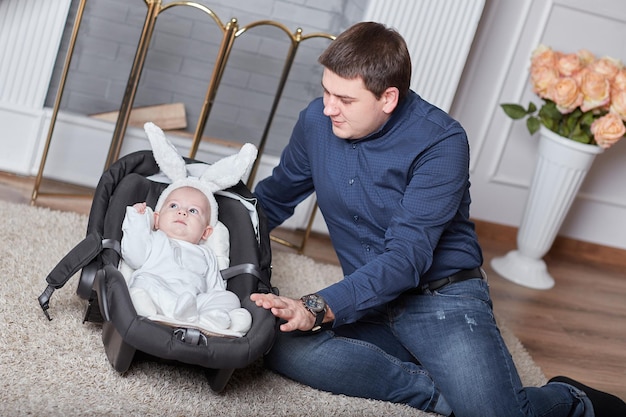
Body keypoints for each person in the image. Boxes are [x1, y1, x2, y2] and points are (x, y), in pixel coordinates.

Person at [250, 21, 626, 416]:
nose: (328, 107)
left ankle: (572, 401)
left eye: (344, 99)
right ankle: (438, 395)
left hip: (442, 300)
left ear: (388, 98)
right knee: (275, 341)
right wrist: (214, 231)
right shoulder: (316, 122)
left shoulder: (441, 141)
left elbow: (405, 259)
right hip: (371, 301)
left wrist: (315, 305)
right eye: (326, 91)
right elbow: (274, 198)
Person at [122, 185, 252, 337]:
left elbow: (214, 286)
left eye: (193, 211)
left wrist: (217, 304)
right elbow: (133, 255)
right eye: (173, 205)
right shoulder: (154, 239)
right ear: (156, 220)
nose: (182, 212)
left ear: (205, 232)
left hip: (194, 301)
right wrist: (137, 219)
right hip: (158, 289)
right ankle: (190, 318)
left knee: (230, 298)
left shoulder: (206, 254)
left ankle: (208, 318)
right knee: (142, 284)